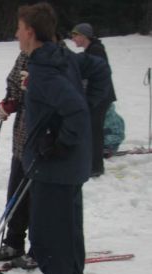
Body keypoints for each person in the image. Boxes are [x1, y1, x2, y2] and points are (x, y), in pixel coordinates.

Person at [14, 3, 107, 274]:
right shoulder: (62, 56)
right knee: (69, 231)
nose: (16, 34)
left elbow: (76, 111)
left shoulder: (43, 70)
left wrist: (59, 142)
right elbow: (100, 71)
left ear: (30, 31)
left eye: (19, 28)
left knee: (46, 234)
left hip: (55, 168)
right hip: (68, 167)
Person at [0, 51, 35, 268]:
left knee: (39, 201)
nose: (17, 34)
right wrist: (8, 103)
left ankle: (39, 250)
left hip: (44, 146)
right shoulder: (25, 56)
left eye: (21, 28)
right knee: (15, 195)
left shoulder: (58, 57)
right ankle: (13, 243)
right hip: (21, 141)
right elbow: (13, 82)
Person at [71, 23, 117, 177]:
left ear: (84, 36)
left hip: (100, 98)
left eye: (75, 35)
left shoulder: (96, 50)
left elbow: (98, 75)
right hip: (97, 97)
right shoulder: (92, 49)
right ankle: (92, 164)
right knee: (92, 130)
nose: (73, 39)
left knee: (94, 131)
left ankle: (96, 167)